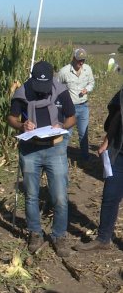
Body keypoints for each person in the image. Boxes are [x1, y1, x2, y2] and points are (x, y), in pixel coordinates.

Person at [7, 60, 76, 257]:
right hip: (30, 150)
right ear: (32, 79)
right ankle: (35, 233)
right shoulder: (22, 92)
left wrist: (61, 126)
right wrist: (22, 126)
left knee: (60, 196)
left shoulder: (61, 91)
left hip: (56, 149)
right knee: (31, 195)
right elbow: (11, 117)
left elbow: (71, 116)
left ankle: (59, 235)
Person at [76, 88, 123, 251]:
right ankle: (103, 238)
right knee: (110, 195)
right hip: (120, 152)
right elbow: (117, 115)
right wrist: (106, 141)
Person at [57, 48, 95, 161]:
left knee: (83, 133)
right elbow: (56, 88)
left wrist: (87, 89)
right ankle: (61, 158)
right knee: (66, 134)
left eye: (83, 60)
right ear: (73, 58)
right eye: (79, 60)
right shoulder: (64, 72)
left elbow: (91, 82)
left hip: (83, 106)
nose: (81, 63)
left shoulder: (88, 69)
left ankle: (85, 158)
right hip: (69, 108)